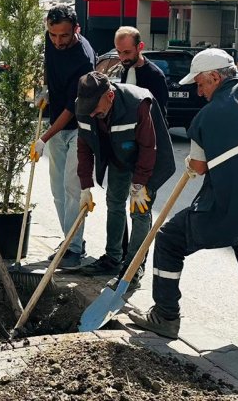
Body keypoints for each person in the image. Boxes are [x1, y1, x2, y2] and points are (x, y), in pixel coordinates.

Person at [128, 43, 238, 375]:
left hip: (225, 213)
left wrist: (194, 160)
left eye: (200, 83)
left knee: (169, 239)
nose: (198, 91)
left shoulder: (203, 119)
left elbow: (197, 166)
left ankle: (166, 316)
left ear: (214, 77)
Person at [73, 72, 176, 282]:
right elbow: (84, 148)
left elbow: (149, 147)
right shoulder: (84, 107)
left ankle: (133, 267)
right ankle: (113, 259)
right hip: (119, 156)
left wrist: (139, 184)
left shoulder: (137, 103)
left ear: (110, 96)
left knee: (139, 210)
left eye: (95, 107)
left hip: (150, 160)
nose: (91, 113)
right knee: (114, 202)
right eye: (88, 107)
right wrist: (85, 186)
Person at [31, 5, 97, 270]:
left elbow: (72, 108)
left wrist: (43, 138)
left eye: (64, 36)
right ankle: (69, 239)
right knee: (57, 191)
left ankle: (74, 248)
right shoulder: (52, 40)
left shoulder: (84, 58)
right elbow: (49, 64)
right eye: (53, 34)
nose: (57, 41)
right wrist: (45, 89)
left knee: (72, 189)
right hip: (56, 122)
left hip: (78, 127)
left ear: (76, 30)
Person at [112, 26, 169, 123]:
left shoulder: (155, 76)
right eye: (119, 52)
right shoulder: (124, 70)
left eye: (127, 52)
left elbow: (160, 115)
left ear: (140, 47)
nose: (122, 58)